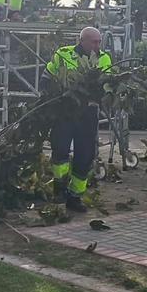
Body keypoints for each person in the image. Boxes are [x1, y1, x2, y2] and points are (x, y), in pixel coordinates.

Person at [45, 27, 112, 212]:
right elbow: (47, 76)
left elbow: (107, 85)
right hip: (64, 112)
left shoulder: (104, 58)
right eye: (94, 42)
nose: (97, 45)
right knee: (60, 149)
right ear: (82, 40)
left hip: (88, 114)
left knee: (85, 155)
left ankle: (75, 197)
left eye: (99, 42)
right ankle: (59, 189)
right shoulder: (63, 54)